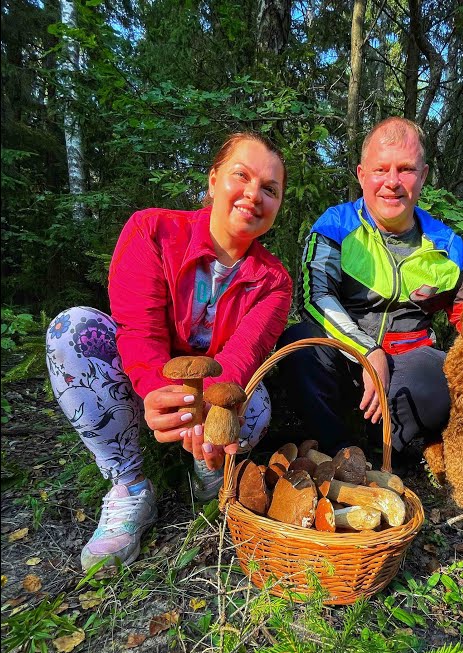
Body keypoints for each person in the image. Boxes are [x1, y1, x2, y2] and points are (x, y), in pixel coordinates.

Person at [46, 131, 293, 571]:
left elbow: (242, 356)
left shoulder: (273, 281)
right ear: (214, 179)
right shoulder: (153, 230)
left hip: (211, 393)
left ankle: (207, 467)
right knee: (73, 329)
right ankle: (129, 484)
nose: (254, 195)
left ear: (277, 206)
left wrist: (203, 416)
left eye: (270, 189)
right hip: (147, 384)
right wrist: (163, 396)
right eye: (242, 175)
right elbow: (139, 333)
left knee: (254, 408)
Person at [277, 117, 463, 470]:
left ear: (424, 175)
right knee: (300, 344)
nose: (392, 183)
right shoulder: (335, 225)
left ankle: (387, 451)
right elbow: (314, 298)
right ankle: (338, 450)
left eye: (406, 170)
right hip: (345, 360)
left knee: (442, 371)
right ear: (361, 174)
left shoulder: (450, 246)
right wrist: (367, 351)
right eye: (380, 169)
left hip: (406, 368)